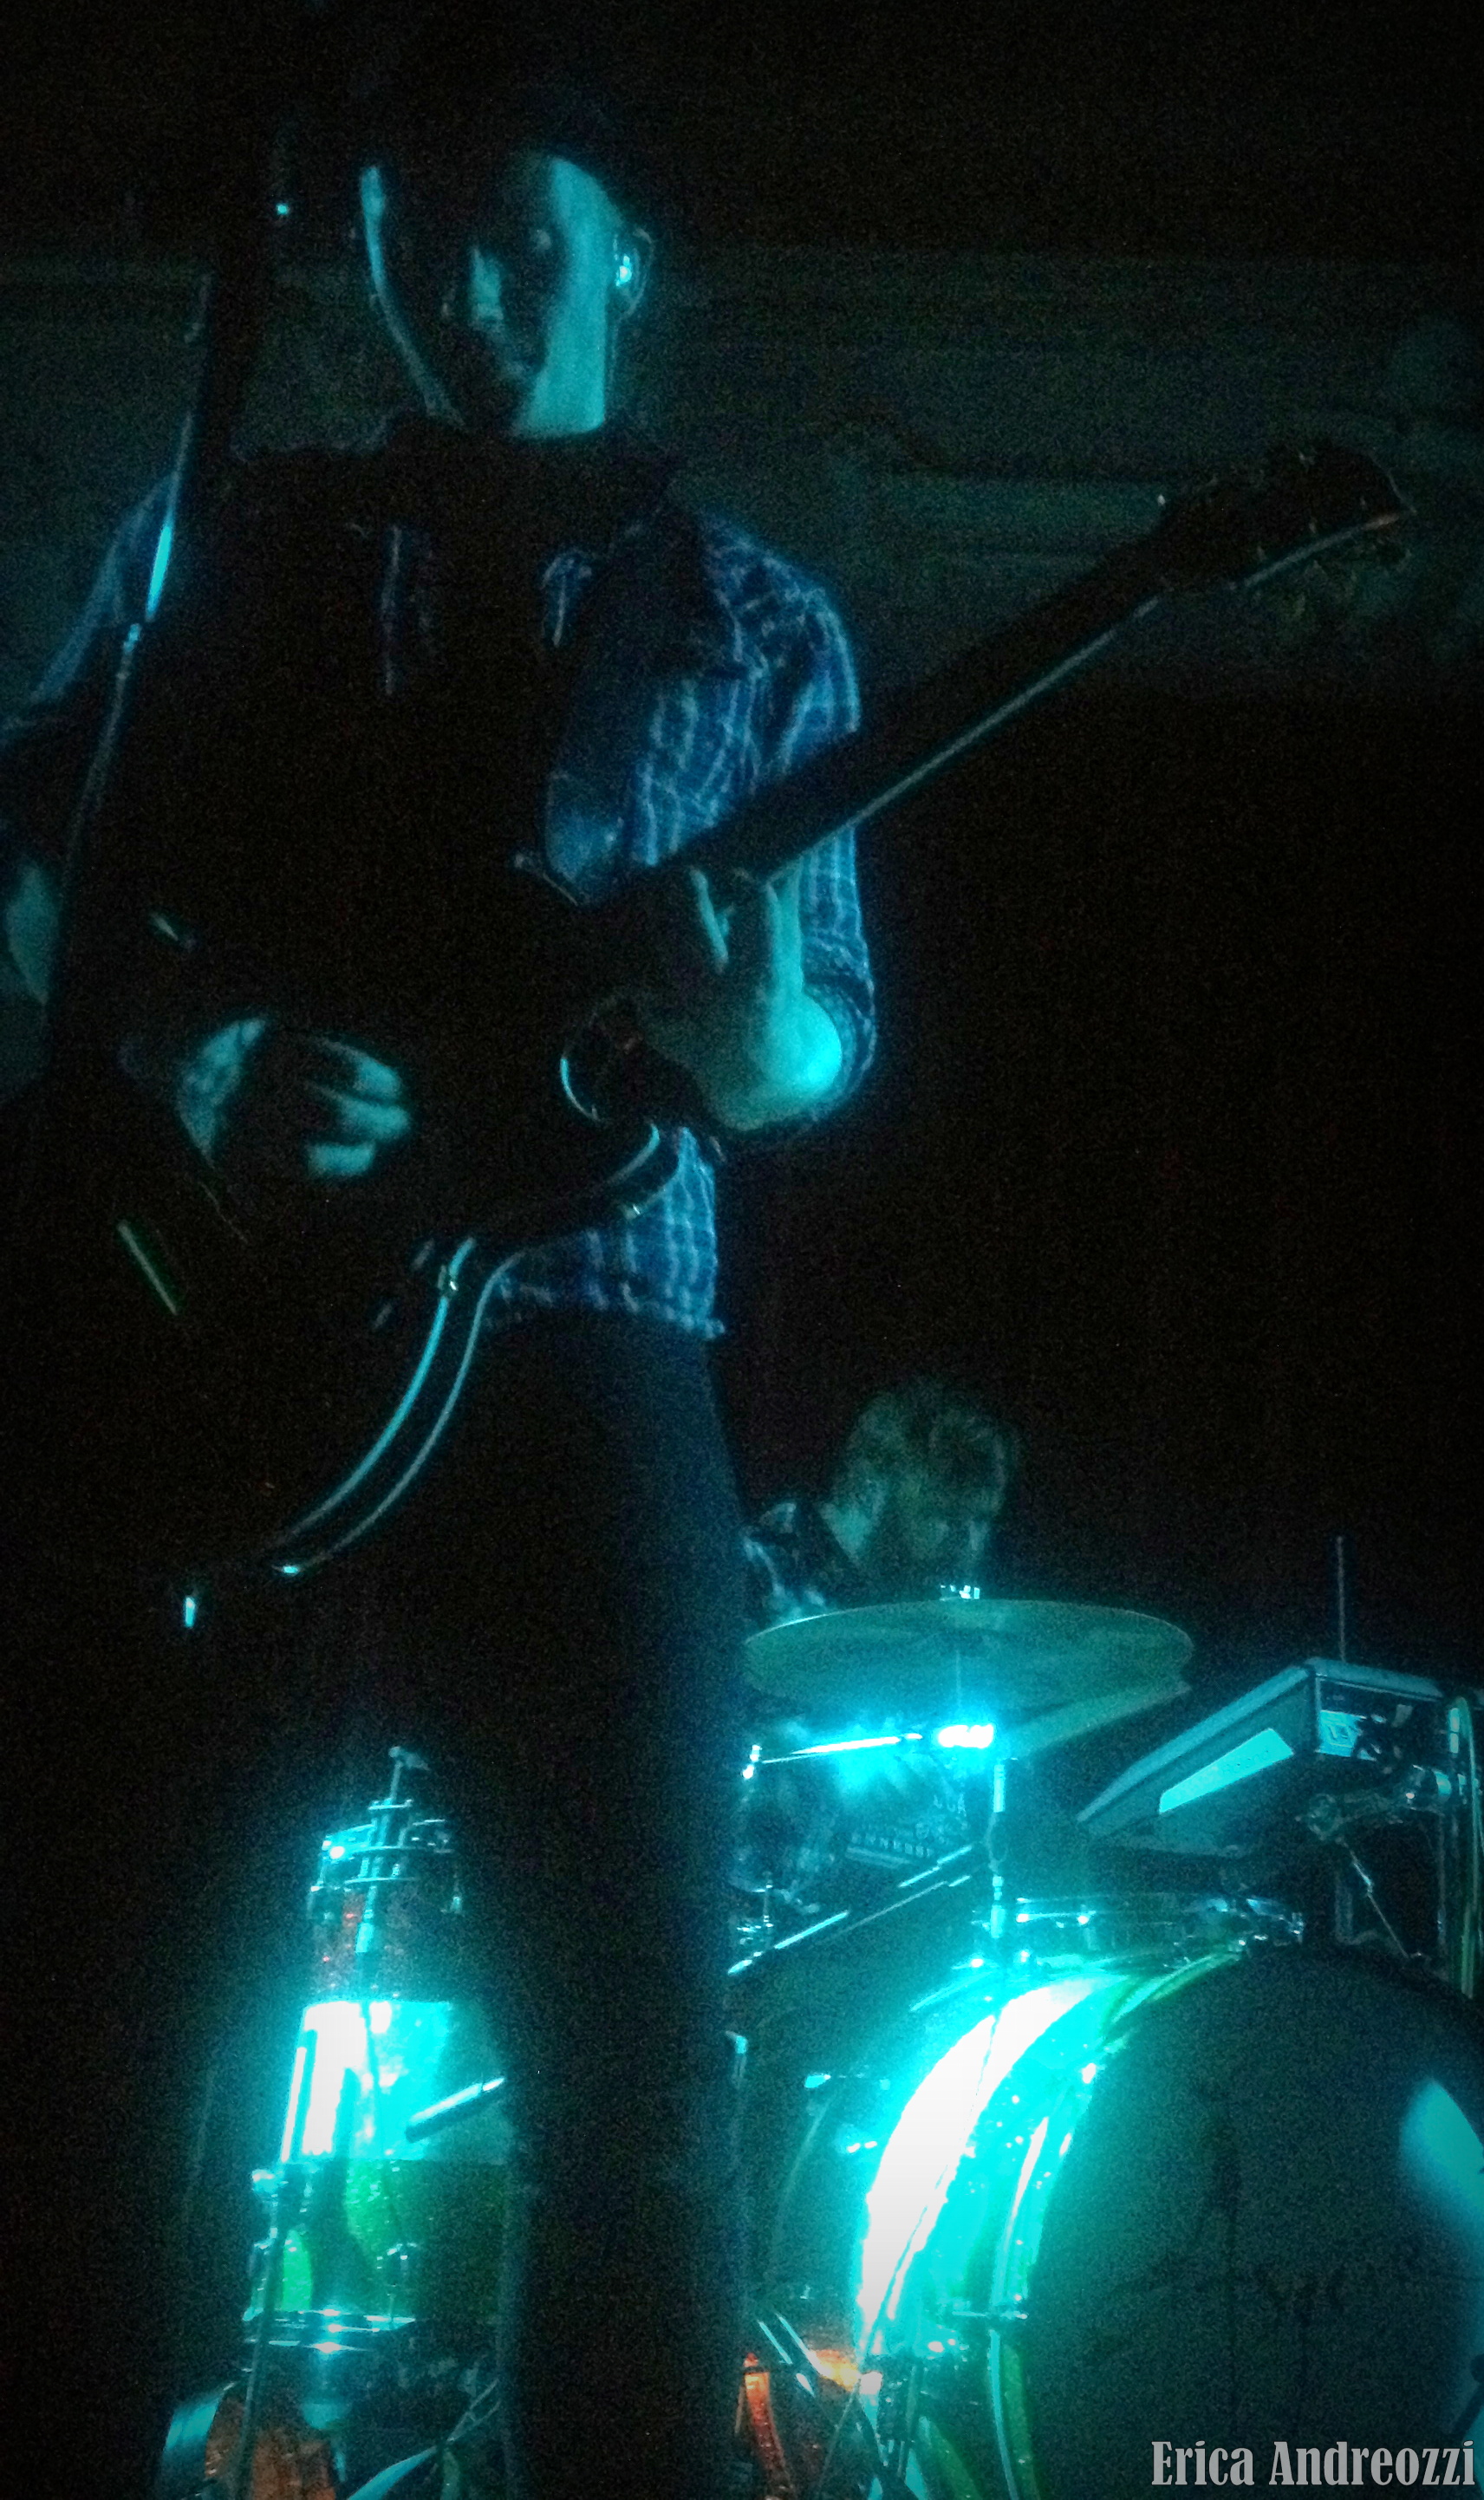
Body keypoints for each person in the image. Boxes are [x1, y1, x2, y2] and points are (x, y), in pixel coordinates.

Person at [0, 27, 873, 2500]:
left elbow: (826, 1034)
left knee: (638, 2085)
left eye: (519, 245)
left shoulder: (753, 619)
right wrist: (187, 1056)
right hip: (220, 1359)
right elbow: (32, 866)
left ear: (624, 254)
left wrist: (763, 1040)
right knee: (110, 2017)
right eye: (415, 250)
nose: (469, 301)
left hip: (592, 1362)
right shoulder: (223, 539)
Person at [745, 1374, 1019, 1629]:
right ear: (868, 1486)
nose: (967, 1545)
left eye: (981, 1521)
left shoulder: (922, 1599)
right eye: (943, 1516)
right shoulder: (748, 1573)